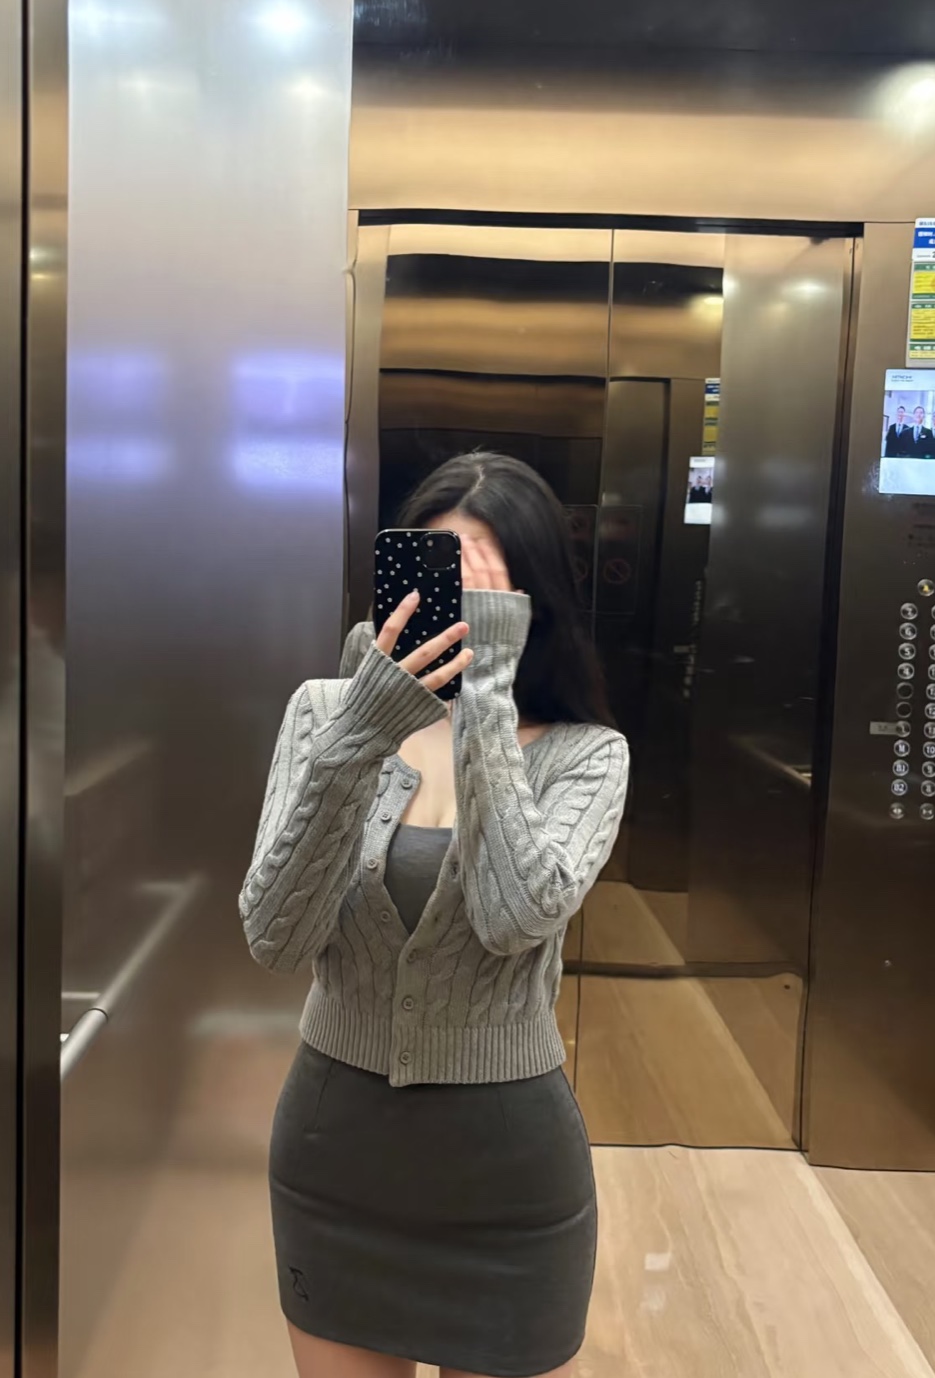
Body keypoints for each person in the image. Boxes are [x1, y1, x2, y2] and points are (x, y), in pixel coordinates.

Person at [242, 452, 630, 1378]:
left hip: (508, 1185)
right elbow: (275, 936)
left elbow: (510, 918)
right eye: (440, 575)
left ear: (535, 604)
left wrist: (483, 697)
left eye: (489, 589)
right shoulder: (324, 716)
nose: (458, 606)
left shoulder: (587, 755)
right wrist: (362, 734)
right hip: (336, 1166)